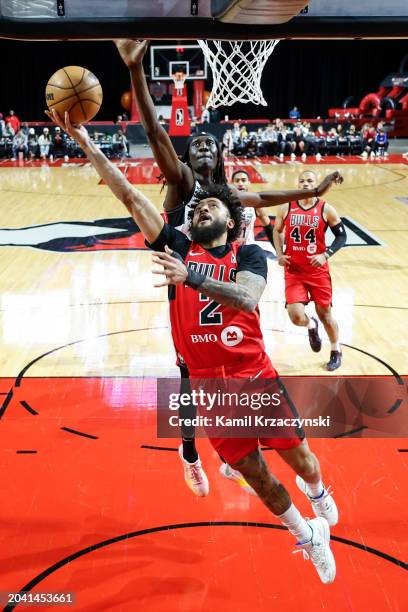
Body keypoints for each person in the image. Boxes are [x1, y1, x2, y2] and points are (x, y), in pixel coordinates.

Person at [47, 108, 338, 584]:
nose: (202, 210)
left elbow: (245, 297)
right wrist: (82, 138)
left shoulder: (248, 253)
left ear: (231, 218)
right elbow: (127, 191)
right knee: (257, 475)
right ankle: (307, 534)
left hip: (254, 376)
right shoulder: (173, 246)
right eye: (198, 209)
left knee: (301, 459)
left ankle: (320, 495)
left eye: (212, 208)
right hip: (210, 388)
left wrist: (194, 277)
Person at [115, 38, 343, 492]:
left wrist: (310, 194)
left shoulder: (228, 195)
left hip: (231, 279)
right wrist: (136, 71)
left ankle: (240, 446)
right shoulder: (180, 182)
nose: (200, 149)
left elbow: (268, 196)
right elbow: (159, 135)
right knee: (189, 375)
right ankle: (189, 451)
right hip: (187, 277)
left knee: (245, 368)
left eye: (208, 146)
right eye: (194, 145)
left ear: (219, 157)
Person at [273, 170, 346, 371]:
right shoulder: (286, 207)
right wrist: (279, 253)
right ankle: (310, 325)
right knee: (296, 316)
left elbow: (342, 237)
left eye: (310, 181)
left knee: (326, 315)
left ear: (317, 184)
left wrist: (326, 254)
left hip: (318, 272)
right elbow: (276, 230)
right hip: (294, 271)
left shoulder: (326, 209)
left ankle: (335, 350)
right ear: (298, 184)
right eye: (302, 181)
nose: (306, 184)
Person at [230, 170, 274, 247]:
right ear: (232, 184)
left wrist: (279, 252)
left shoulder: (255, 203)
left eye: (243, 180)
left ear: (249, 183)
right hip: (229, 248)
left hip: (248, 247)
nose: (240, 183)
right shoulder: (226, 203)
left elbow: (269, 228)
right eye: (237, 181)